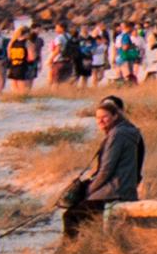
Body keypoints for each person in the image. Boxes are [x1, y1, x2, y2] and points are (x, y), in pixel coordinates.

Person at [59, 94, 146, 238]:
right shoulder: (127, 131)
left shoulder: (117, 134)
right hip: (123, 188)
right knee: (77, 213)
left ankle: (68, 252)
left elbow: (106, 169)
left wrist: (89, 190)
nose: (100, 121)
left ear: (116, 115)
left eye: (104, 117)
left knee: (71, 216)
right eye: (97, 117)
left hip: (115, 191)